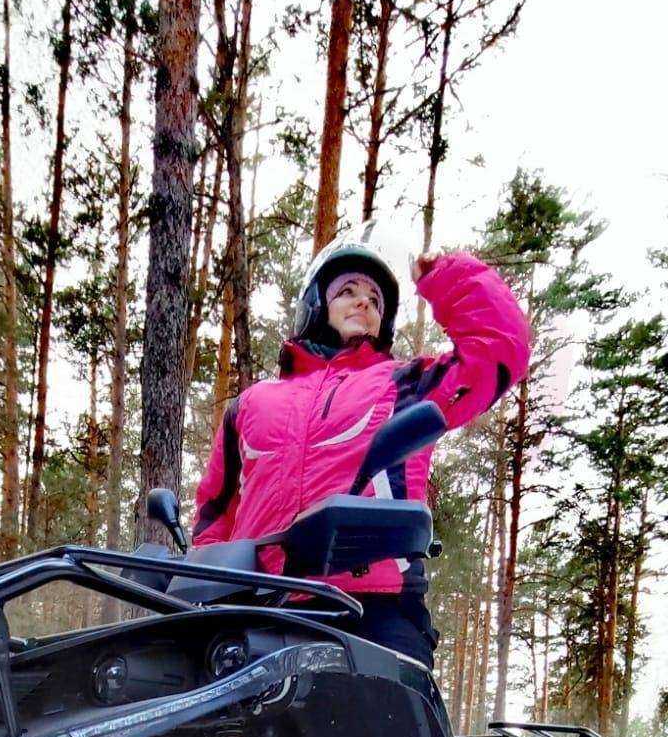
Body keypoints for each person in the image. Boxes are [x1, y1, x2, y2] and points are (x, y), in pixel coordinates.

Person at [191, 241, 532, 668]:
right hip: (261, 605)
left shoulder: (405, 383)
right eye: (348, 290)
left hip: (374, 605)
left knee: (393, 722)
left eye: (375, 300)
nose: (363, 302)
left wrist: (446, 274)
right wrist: (203, 587)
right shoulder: (252, 403)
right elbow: (215, 513)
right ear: (316, 303)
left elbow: (501, 348)